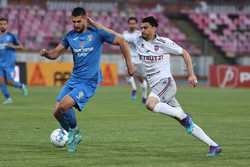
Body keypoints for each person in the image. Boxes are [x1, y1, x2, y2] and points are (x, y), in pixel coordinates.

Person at [89, 16, 221, 157]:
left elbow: (185, 54)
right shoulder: (137, 40)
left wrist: (191, 75)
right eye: (142, 27)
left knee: (150, 104)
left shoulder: (164, 42)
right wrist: (94, 23)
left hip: (166, 83)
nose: (142, 30)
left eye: (145, 27)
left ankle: (183, 116)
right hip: (158, 87)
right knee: (183, 121)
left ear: (154, 28)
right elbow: (114, 34)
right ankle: (213, 145)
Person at [40, 7, 134, 153]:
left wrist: (129, 65)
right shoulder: (70, 36)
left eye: (78, 21)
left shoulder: (97, 34)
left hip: (89, 81)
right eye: (73, 22)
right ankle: (71, 133)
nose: (76, 24)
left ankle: (74, 132)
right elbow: (56, 53)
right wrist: (47, 54)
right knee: (56, 112)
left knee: (65, 105)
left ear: (85, 18)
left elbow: (122, 41)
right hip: (74, 79)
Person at [0, 17, 28, 104]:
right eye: (0, 24)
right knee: (0, 80)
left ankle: (21, 86)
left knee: (9, 82)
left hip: (9, 63)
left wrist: (13, 46)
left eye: (4, 24)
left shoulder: (11, 36)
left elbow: (22, 47)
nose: (2, 26)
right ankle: (8, 98)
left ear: (7, 25)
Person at [122, 17, 148, 103]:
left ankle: (144, 96)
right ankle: (134, 88)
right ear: (128, 24)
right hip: (130, 57)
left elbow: (145, 45)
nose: (132, 25)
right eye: (130, 23)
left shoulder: (140, 34)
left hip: (139, 58)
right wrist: (123, 55)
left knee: (141, 79)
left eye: (134, 23)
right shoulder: (124, 34)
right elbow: (122, 46)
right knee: (127, 74)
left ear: (136, 24)